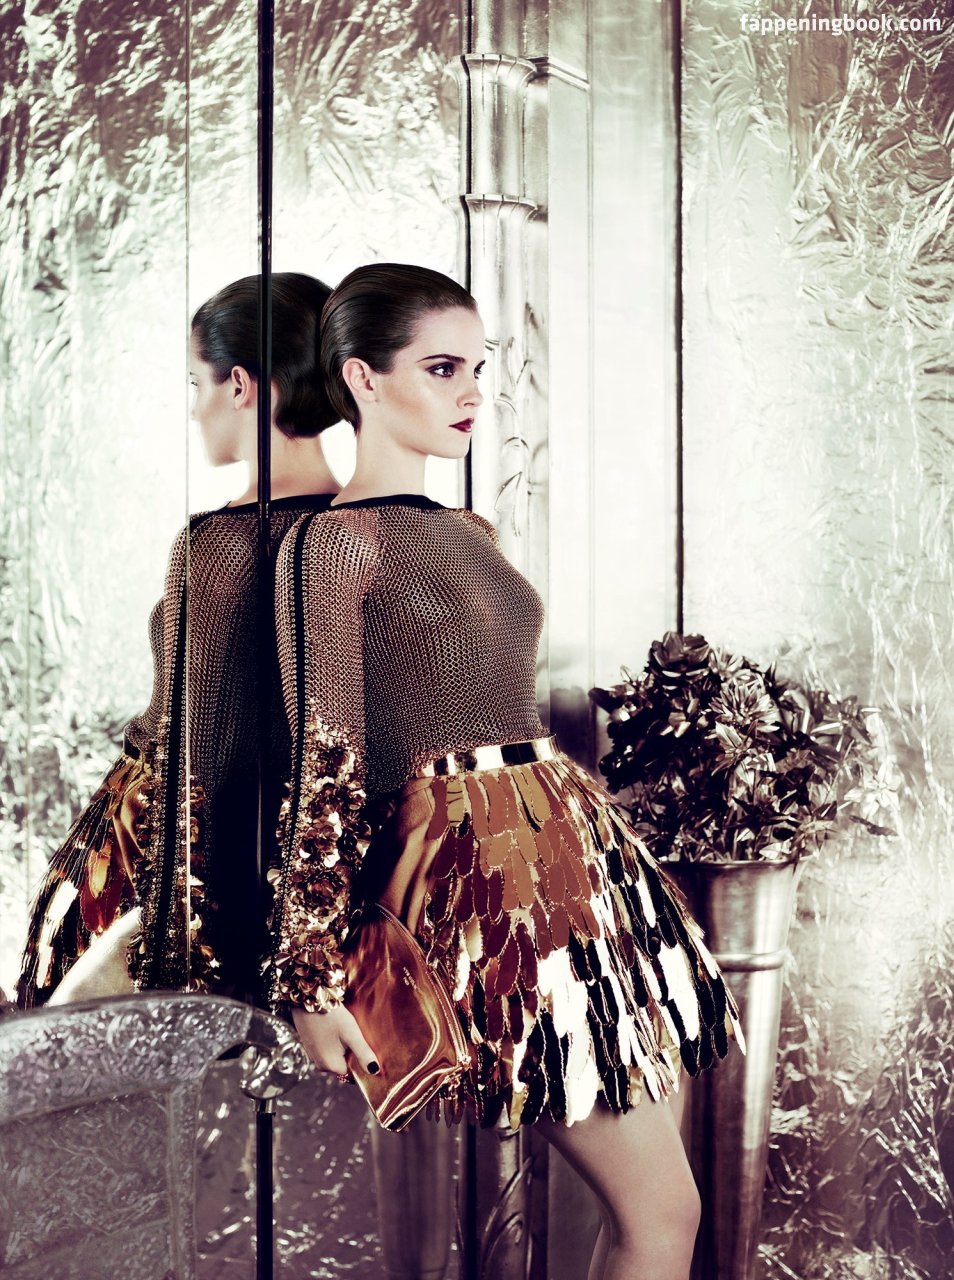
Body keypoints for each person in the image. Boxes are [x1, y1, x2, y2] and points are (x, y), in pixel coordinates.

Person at [266, 263, 744, 1280]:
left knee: (662, 1208)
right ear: (361, 378)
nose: (473, 392)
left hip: (575, 860)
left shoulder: (468, 531)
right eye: (442, 368)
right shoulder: (330, 546)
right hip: (486, 885)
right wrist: (309, 975)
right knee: (664, 1212)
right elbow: (325, 759)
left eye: (479, 369)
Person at [17, 272, 340, 1008]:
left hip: (170, 861)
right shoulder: (366, 531)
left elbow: (199, 755)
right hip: (300, 870)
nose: (194, 408)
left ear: (240, 386)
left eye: (197, 383)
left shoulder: (216, 546)